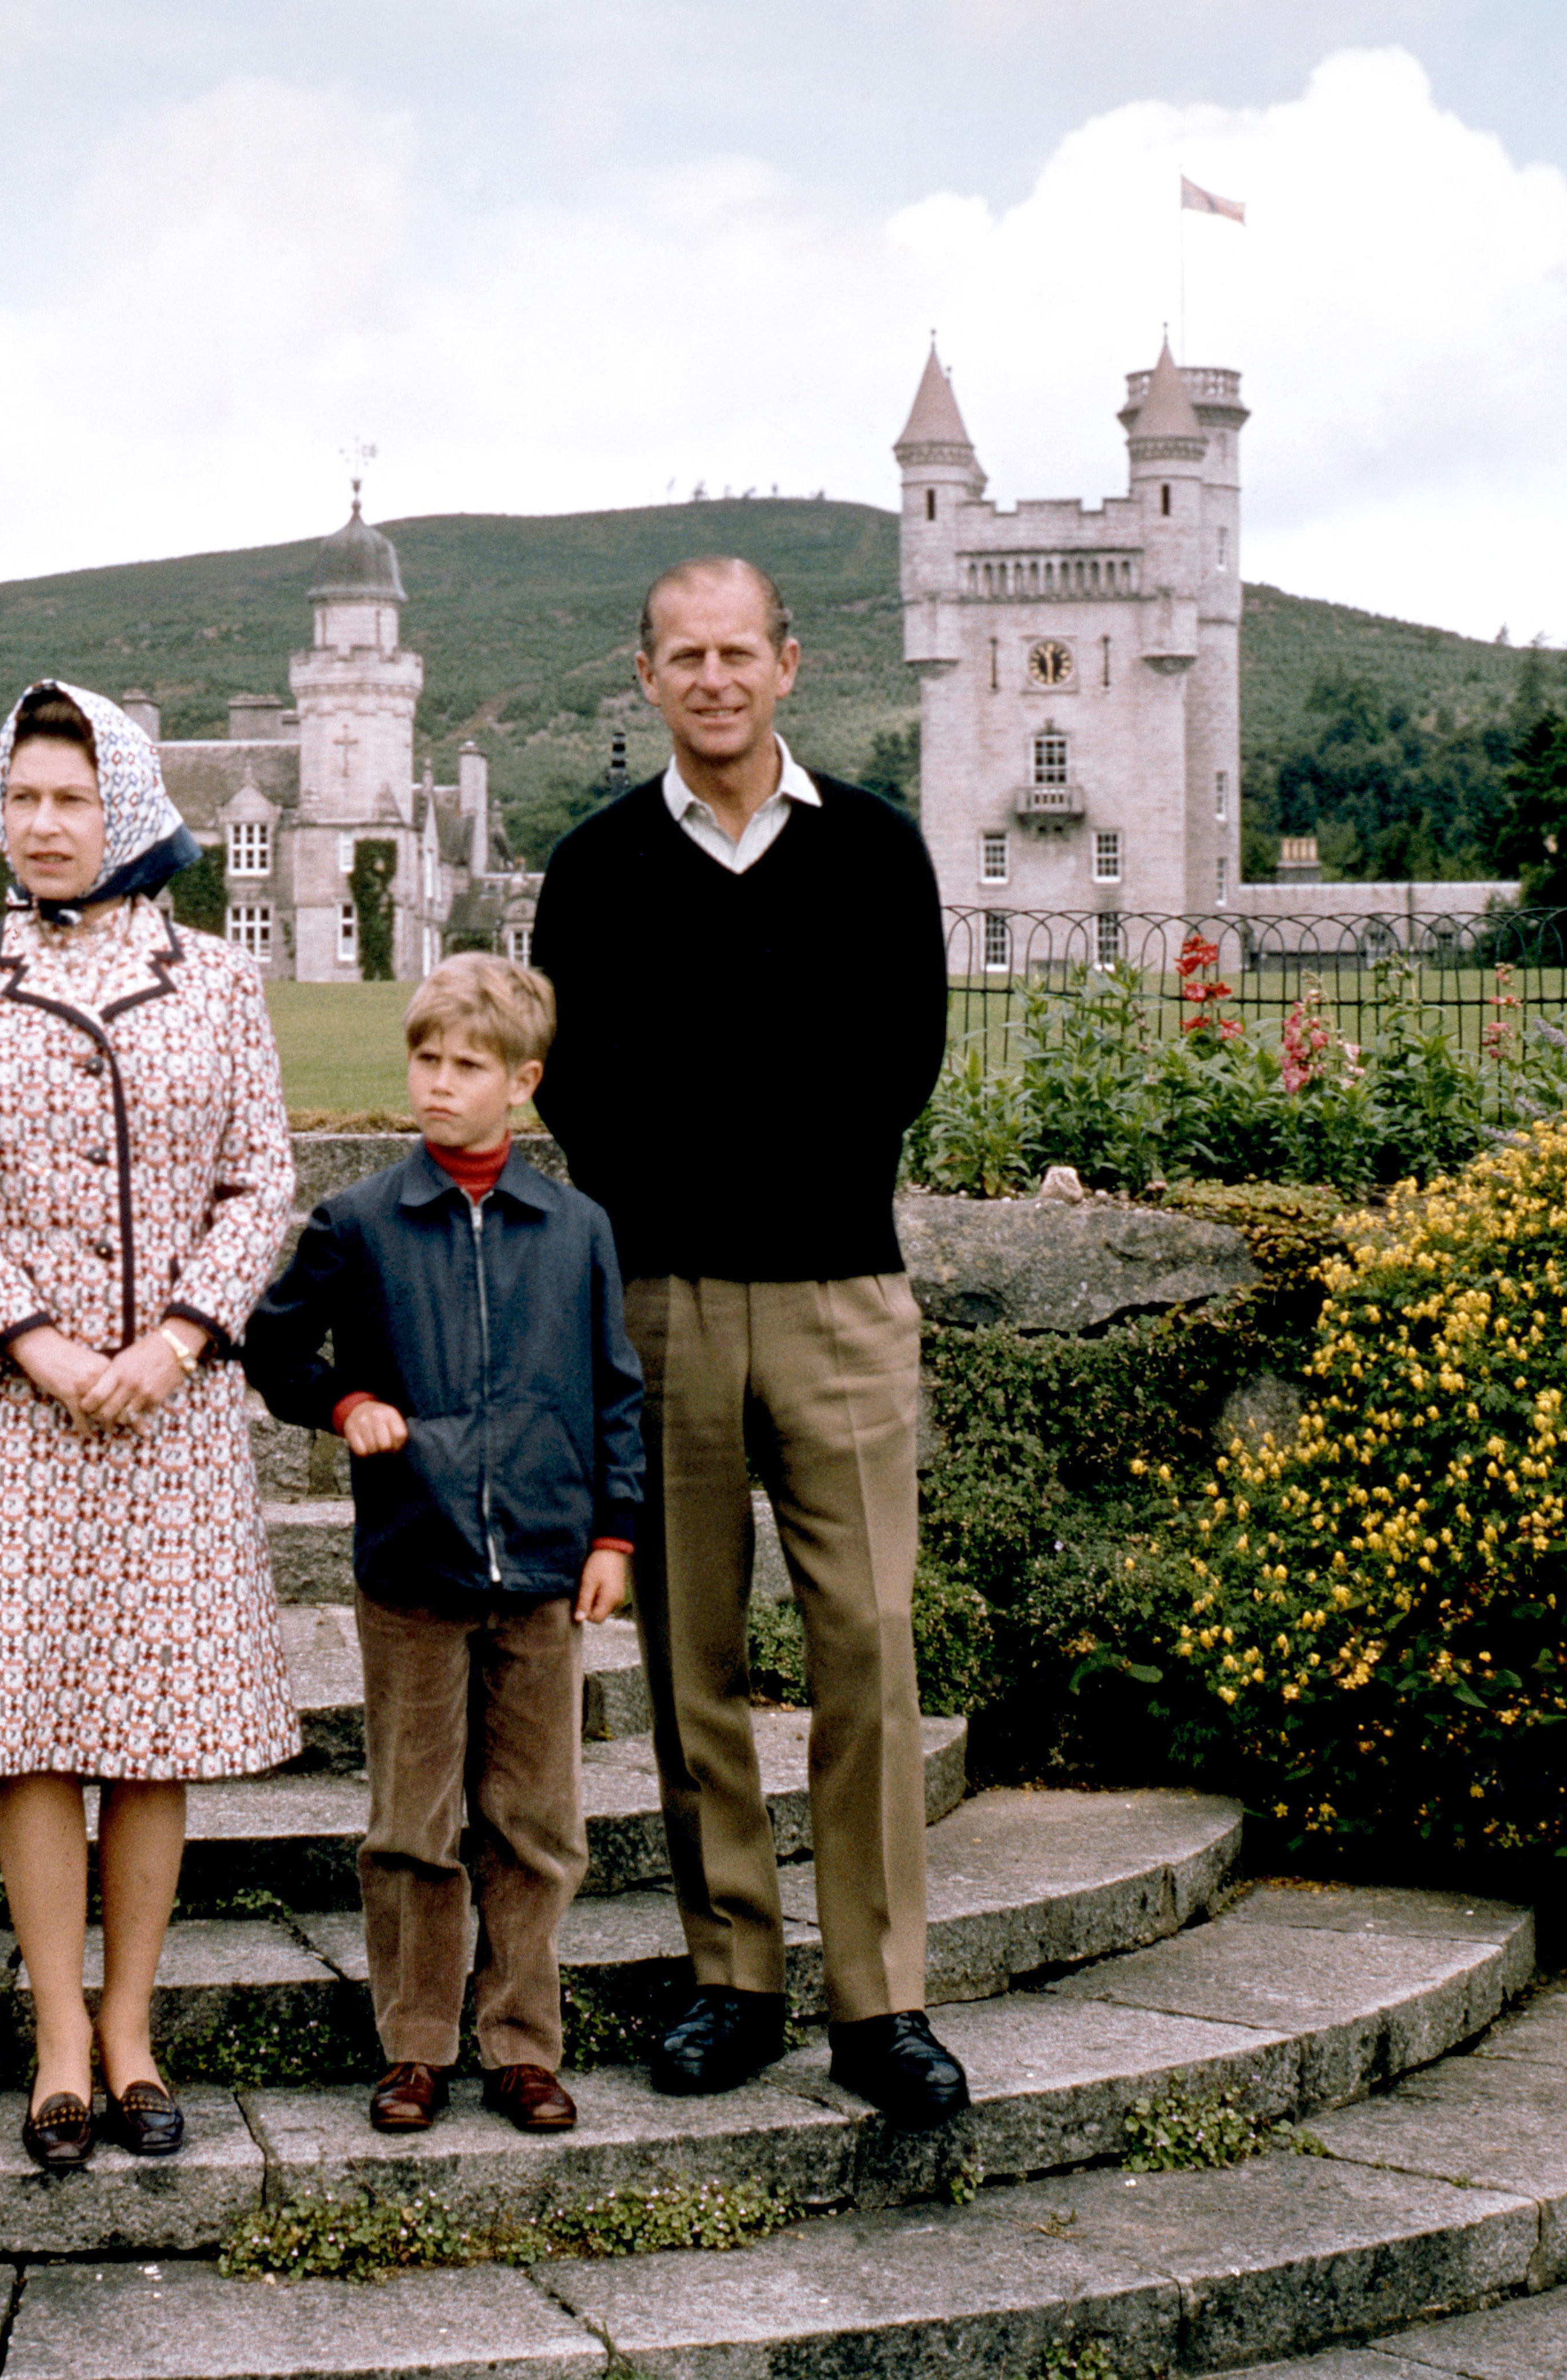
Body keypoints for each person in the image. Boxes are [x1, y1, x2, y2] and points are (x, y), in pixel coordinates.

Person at [527, 556, 968, 2124]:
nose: (712, 678)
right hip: (662, 1301)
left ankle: (879, 1999)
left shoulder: (876, 852)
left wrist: (736, 1135)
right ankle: (734, 1977)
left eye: (738, 652)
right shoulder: (592, 870)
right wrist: (702, 1161)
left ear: (786, 664)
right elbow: (583, 1089)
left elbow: (893, 1059)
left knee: (863, 1641)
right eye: (682, 655)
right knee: (689, 1654)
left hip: (840, 1291)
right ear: (644, 675)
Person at [0, 678, 301, 2172]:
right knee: (34, 1730)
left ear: (123, 804)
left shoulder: (219, 981)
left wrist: (183, 1334)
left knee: (155, 1726)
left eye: (68, 798)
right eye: (19, 798)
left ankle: (133, 2027)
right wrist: (41, 1343)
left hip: (172, 1412)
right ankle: (57, 2035)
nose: (40, 826)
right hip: (13, 1410)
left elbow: (262, 1180)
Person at [244, 955, 641, 2136]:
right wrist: (341, 1402)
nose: (438, 1084)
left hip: (541, 1574)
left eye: (466, 1067)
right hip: (411, 1572)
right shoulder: (360, 1222)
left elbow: (616, 1393)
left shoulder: (574, 1230)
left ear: (519, 1084)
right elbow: (271, 1349)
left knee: (535, 1825)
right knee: (411, 1825)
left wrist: (612, 1534)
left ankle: (520, 2041)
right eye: (424, 1060)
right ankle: (413, 2045)